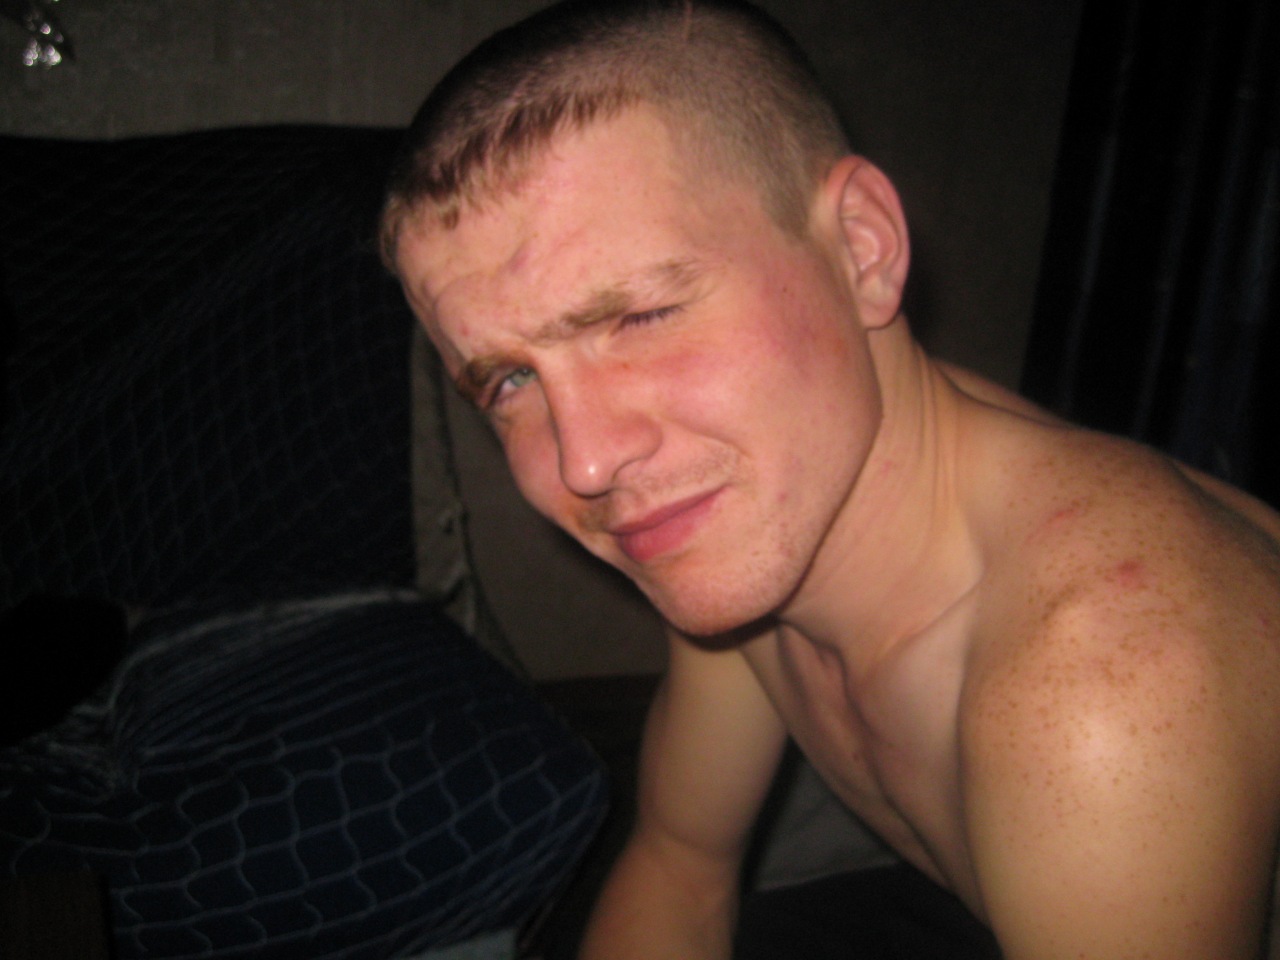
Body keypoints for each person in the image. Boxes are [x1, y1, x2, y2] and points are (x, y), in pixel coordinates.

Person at [380, 1, 1280, 956]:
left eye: (640, 316)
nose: (586, 460)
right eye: (510, 381)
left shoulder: (1104, 688)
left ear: (861, 247)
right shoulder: (747, 522)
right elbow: (680, 861)